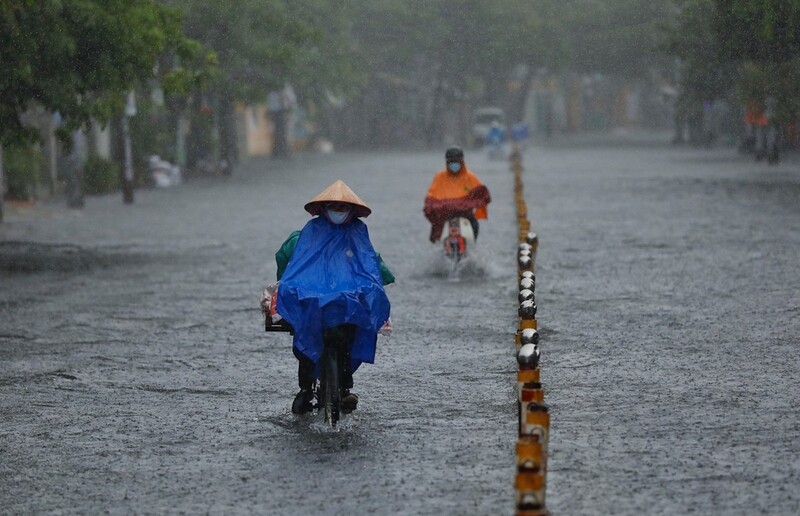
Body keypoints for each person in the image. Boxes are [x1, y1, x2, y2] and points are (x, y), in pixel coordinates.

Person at [274, 180, 394, 414]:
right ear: (324, 207)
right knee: (308, 333)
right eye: (334, 207)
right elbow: (293, 267)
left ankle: (342, 386)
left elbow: (370, 263)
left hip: (345, 304)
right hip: (314, 301)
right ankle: (307, 389)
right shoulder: (308, 234)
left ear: (351, 211)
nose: (338, 212)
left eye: (342, 208)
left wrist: (376, 287)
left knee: (346, 336)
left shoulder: (358, 233)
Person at [423, 147, 491, 243]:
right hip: (445, 216)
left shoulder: (470, 177)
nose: (454, 164)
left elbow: (481, 193)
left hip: (466, 216)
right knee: (436, 232)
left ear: (462, 162)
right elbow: (431, 196)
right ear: (447, 163)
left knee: (474, 225)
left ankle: (471, 245)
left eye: (457, 162)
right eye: (451, 162)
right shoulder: (440, 177)